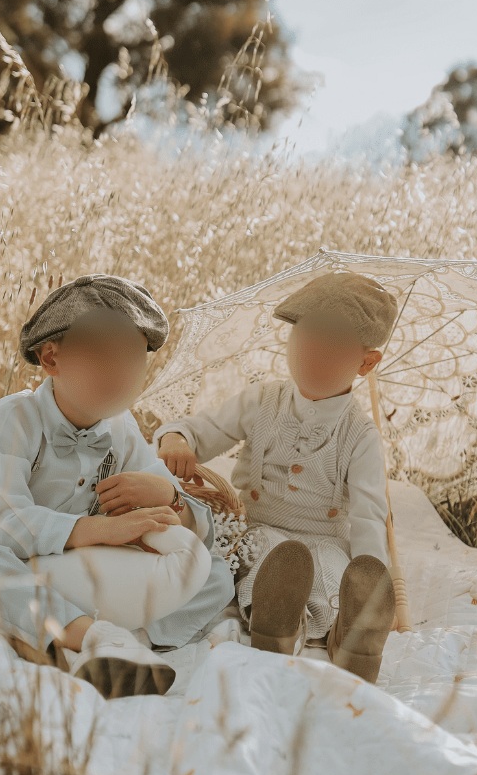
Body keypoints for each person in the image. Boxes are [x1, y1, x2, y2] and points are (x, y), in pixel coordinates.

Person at [0, 274, 235, 696]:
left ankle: (120, 641)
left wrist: (167, 495)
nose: (120, 371)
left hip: (79, 568)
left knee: (215, 573)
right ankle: (98, 639)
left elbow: (196, 525)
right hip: (15, 560)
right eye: (100, 354)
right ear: (52, 358)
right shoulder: (12, 420)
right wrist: (100, 530)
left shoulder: (122, 429)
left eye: (133, 355)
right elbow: (6, 524)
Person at [155, 271, 397, 682]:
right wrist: (177, 437)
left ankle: (354, 635)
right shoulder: (262, 400)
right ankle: (279, 627)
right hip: (261, 526)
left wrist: (374, 577)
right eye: (306, 342)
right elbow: (204, 430)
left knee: (332, 570)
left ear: (366, 362)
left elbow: (370, 516)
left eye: (334, 349)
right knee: (265, 558)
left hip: (324, 535)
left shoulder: (361, 436)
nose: (315, 357)